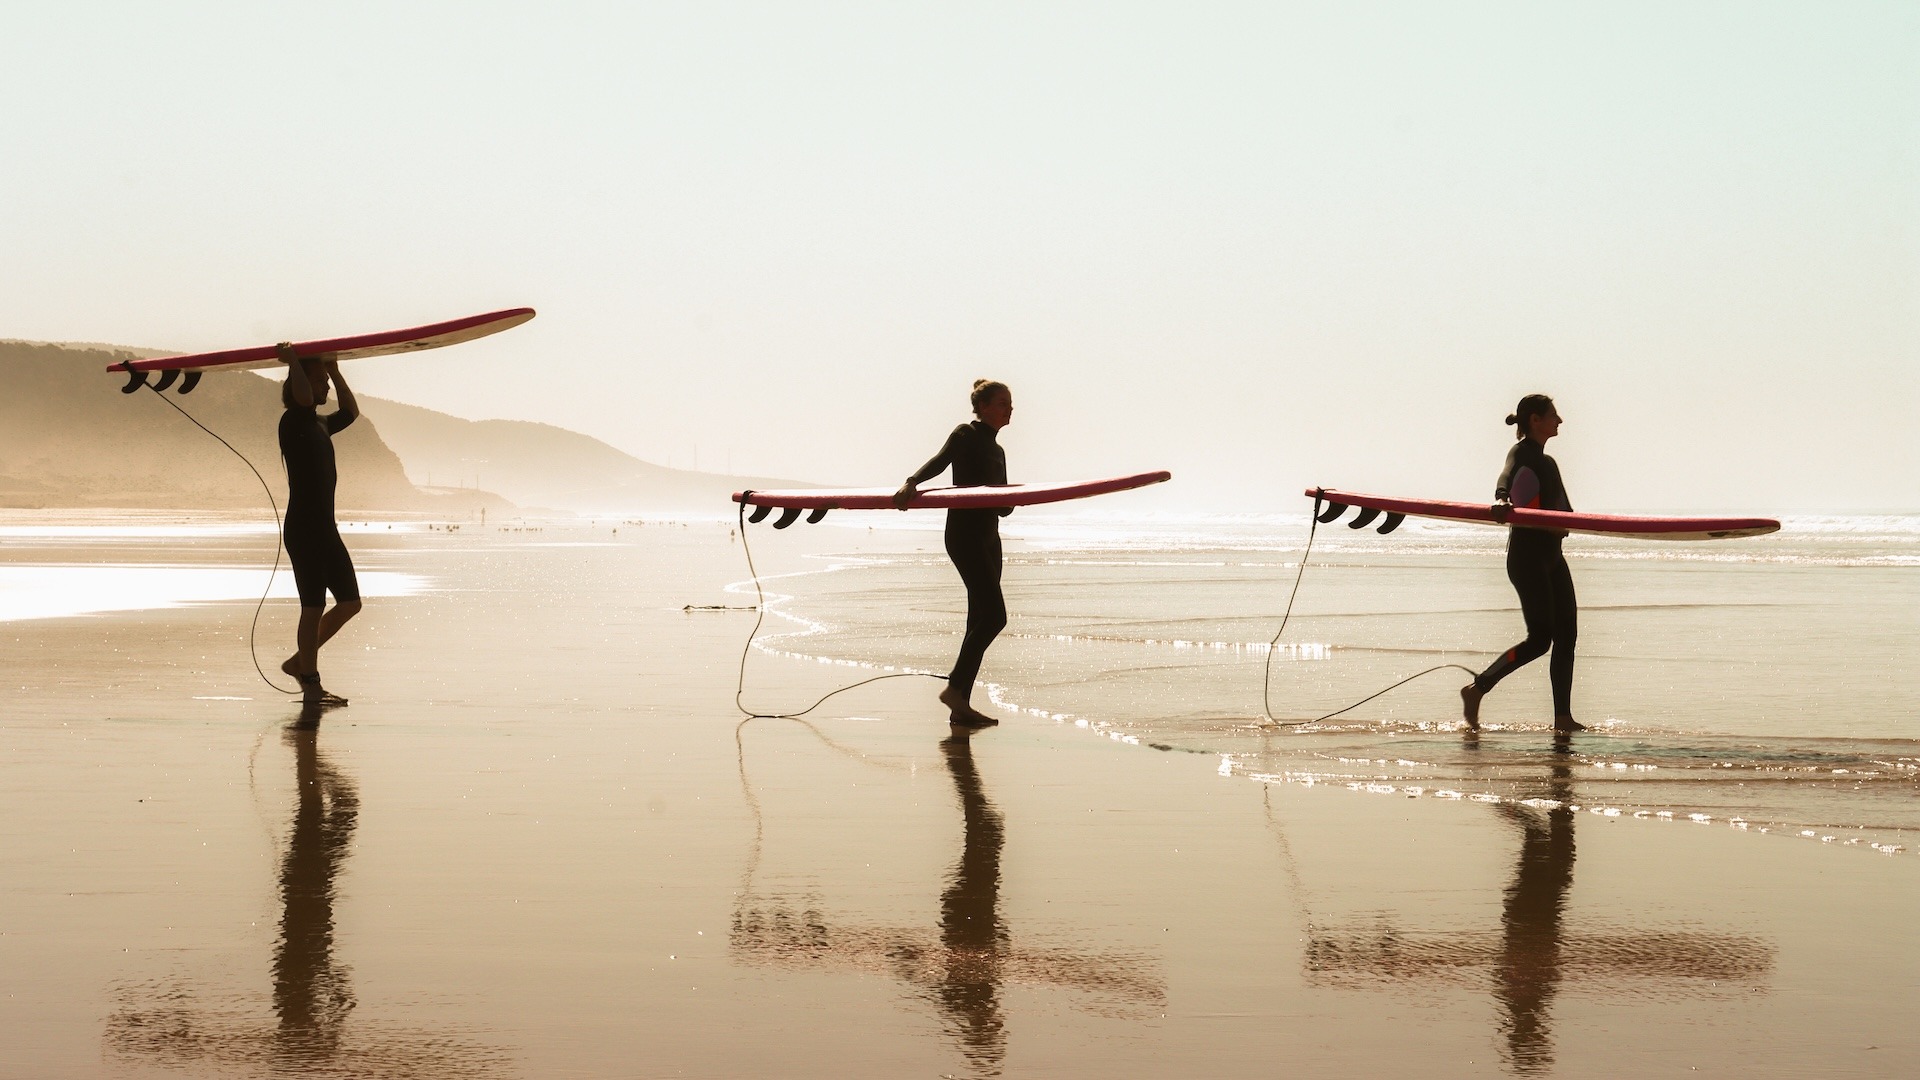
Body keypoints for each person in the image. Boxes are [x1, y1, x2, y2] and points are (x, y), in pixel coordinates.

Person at [1461, 394, 1585, 733]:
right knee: (1540, 638)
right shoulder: (1522, 453)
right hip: (1527, 557)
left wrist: (1569, 522)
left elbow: (1565, 510)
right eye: (1553, 415)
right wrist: (1501, 499)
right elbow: (1506, 477)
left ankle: (1563, 718)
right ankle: (1477, 688)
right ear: (1535, 419)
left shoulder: (1550, 463)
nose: (1559, 421)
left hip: (1553, 556)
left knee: (1567, 636)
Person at [896, 380, 1013, 728]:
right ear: (984, 406)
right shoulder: (965, 434)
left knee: (979, 618)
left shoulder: (999, 452)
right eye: (1003, 402)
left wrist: (1010, 501)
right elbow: (940, 460)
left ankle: (960, 706)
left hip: (990, 537)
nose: (1010, 408)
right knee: (995, 617)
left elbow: (1003, 506)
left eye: (1011, 403)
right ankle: (955, 688)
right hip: (964, 535)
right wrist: (912, 481)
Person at [277, 343, 362, 707]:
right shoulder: (293, 421)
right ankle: (310, 681)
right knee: (312, 606)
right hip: (303, 528)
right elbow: (298, 394)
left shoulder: (321, 424)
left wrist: (335, 370)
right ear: (304, 386)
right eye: (321, 382)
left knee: (350, 603)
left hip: (325, 528)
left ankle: (298, 661)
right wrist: (294, 360)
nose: (326, 388)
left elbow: (351, 411)